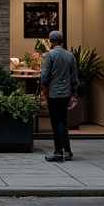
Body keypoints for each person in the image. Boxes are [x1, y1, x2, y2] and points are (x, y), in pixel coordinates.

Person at [40, 29, 78, 162]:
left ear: (51, 42)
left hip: (54, 94)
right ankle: (67, 151)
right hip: (66, 93)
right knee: (63, 121)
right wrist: (73, 94)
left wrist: (43, 91)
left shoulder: (50, 55)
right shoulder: (70, 56)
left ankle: (59, 151)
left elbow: (44, 76)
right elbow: (74, 77)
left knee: (56, 123)